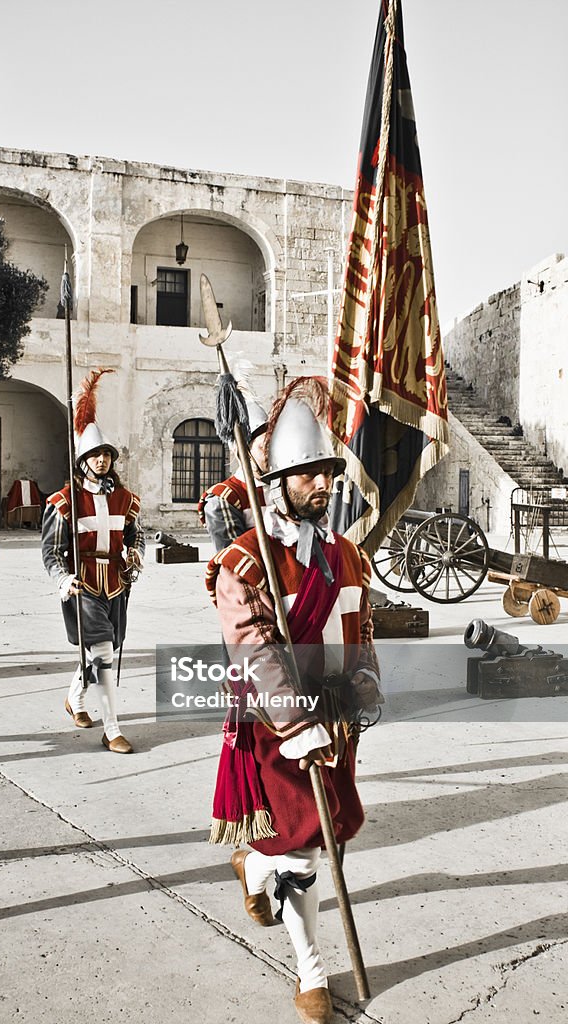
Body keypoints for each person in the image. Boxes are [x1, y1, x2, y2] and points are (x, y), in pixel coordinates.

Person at [206, 379, 383, 1024]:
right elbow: (251, 647)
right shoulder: (244, 563)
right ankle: (310, 968)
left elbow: (359, 630)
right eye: (309, 474)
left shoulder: (346, 554)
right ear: (277, 481)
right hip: (272, 722)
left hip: (334, 721)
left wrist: (365, 684)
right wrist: (294, 720)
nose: (323, 485)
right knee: (305, 845)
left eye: (328, 474)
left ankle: (254, 864)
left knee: (321, 830)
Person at [42, 368, 144, 753]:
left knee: (102, 651)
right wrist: (62, 579)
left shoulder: (126, 500)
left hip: (116, 582)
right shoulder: (65, 500)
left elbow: (134, 538)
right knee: (101, 652)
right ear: (82, 460)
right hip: (82, 583)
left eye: (106, 455)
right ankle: (112, 728)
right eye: (94, 455)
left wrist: (135, 555)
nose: (102, 460)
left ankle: (75, 699)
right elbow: (50, 551)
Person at [198, 386, 270, 552]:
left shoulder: (288, 485)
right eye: (264, 447)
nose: (271, 453)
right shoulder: (224, 498)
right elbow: (236, 560)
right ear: (243, 452)